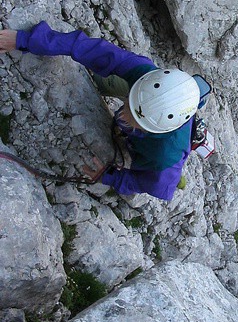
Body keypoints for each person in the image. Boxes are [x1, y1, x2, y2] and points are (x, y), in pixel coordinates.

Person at [0, 21, 210, 200]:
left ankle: (179, 176)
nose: (124, 115)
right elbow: (89, 48)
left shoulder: (165, 158)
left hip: (154, 153)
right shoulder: (145, 74)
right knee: (106, 80)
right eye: (129, 105)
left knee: (165, 174)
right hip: (150, 106)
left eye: (137, 119)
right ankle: (118, 94)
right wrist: (24, 40)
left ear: (158, 130)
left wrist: (110, 176)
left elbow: (155, 188)